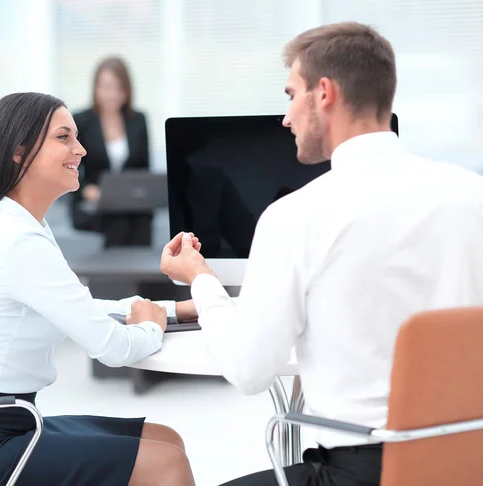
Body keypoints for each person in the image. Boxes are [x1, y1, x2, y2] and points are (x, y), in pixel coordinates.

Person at [160, 22, 483, 486]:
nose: (287, 117)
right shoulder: (471, 193)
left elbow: (249, 371)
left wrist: (201, 279)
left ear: (324, 93)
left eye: (292, 94)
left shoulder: (295, 217)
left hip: (363, 472)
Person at [0, 92, 200, 486]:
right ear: (19, 152)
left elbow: (73, 307)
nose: (80, 149)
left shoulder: (20, 224)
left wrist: (171, 310)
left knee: (169, 442)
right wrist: (150, 327)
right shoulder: (17, 239)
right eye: (64, 137)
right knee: (164, 465)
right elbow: (113, 348)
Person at [71, 56, 153, 247]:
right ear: (96, 88)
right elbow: (70, 165)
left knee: (142, 217)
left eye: (119, 88)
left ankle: (142, 275)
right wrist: (85, 190)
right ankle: (119, 276)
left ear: (127, 91)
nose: (112, 94)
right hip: (93, 202)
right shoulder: (81, 121)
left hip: (130, 202)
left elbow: (144, 170)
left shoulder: (138, 120)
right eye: (106, 87)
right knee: (118, 220)